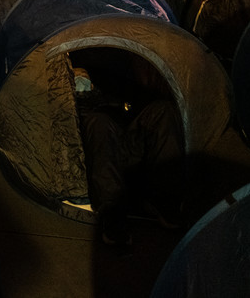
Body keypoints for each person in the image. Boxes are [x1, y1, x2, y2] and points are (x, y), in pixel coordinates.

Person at [72, 58, 184, 246]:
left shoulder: (138, 59)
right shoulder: (82, 56)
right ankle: (112, 211)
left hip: (130, 135)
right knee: (99, 122)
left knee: (163, 110)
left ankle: (163, 199)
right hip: (100, 139)